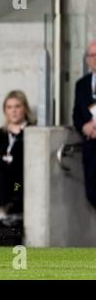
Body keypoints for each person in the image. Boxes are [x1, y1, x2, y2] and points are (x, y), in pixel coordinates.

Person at [0, 90, 35, 221]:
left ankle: (2, 206)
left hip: (18, 183)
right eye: (9, 107)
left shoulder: (33, 133)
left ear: (25, 108)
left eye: (17, 106)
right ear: (5, 111)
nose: (13, 111)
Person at [72, 40, 96, 209]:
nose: (95, 59)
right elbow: (76, 115)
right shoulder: (82, 84)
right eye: (92, 55)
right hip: (92, 147)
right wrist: (84, 127)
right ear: (87, 59)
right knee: (93, 194)